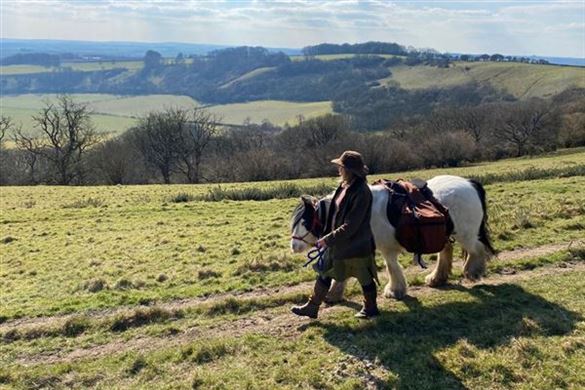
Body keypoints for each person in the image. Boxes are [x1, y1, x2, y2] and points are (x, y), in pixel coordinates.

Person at [291, 150, 379, 319]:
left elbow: (351, 225)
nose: (339, 170)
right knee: (324, 271)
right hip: (338, 242)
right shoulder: (344, 186)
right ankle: (312, 306)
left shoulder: (362, 192)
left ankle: (371, 308)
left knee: (364, 276)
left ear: (349, 170)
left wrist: (327, 239)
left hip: (355, 244)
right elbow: (335, 211)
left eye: (341, 167)